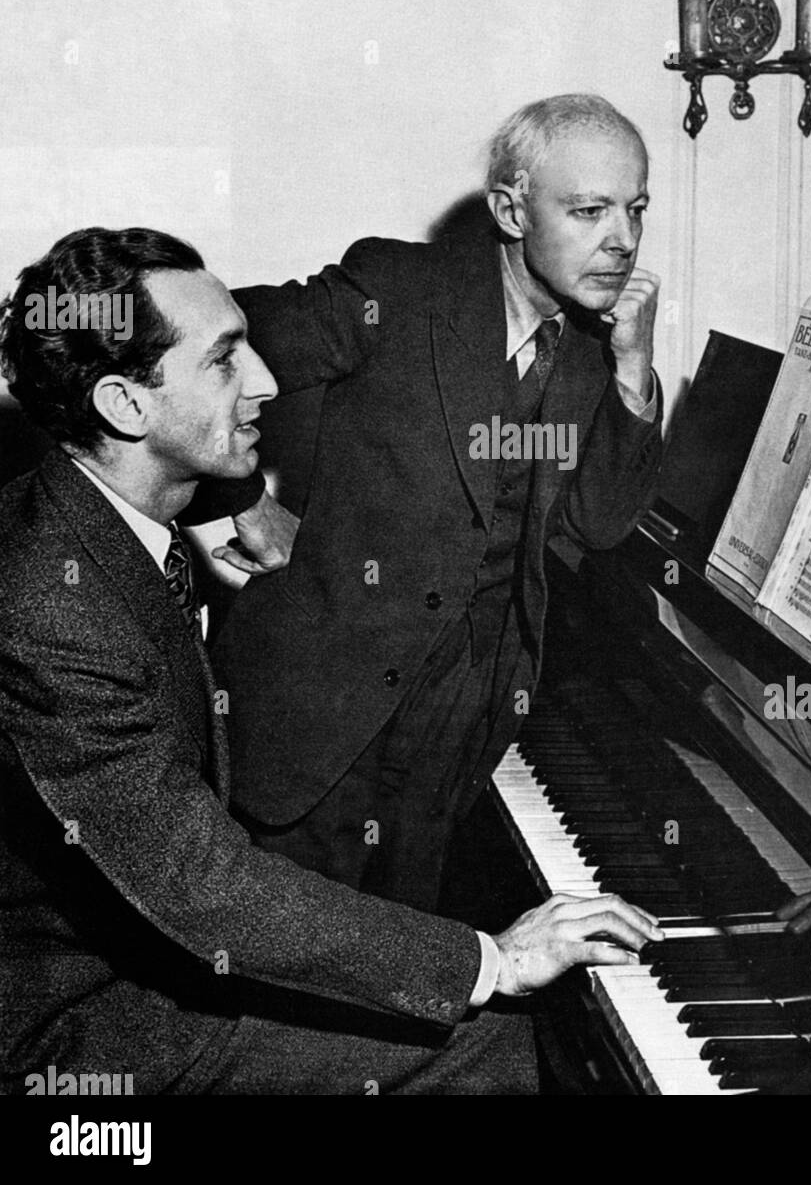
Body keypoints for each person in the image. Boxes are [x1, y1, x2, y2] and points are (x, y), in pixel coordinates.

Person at [0, 227, 662, 1096]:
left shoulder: (92, 517)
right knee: (494, 1050)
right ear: (127, 407)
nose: (268, 382)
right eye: (227, 361)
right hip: (72, 1019)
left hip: (149, 942)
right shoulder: (52, 604)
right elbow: (197, 884)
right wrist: (493, 958)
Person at [201, 94, 663, 911]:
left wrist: (633, 369)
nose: (621, 240)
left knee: (400, 955)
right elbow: (197, 353)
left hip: (464, 710)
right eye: (589, 211)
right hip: (322, 703)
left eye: (635, 211)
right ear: (511, 210)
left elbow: (596, 523)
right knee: (281, 965)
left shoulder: (595, 342)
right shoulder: (395, 288)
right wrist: (242, 500)